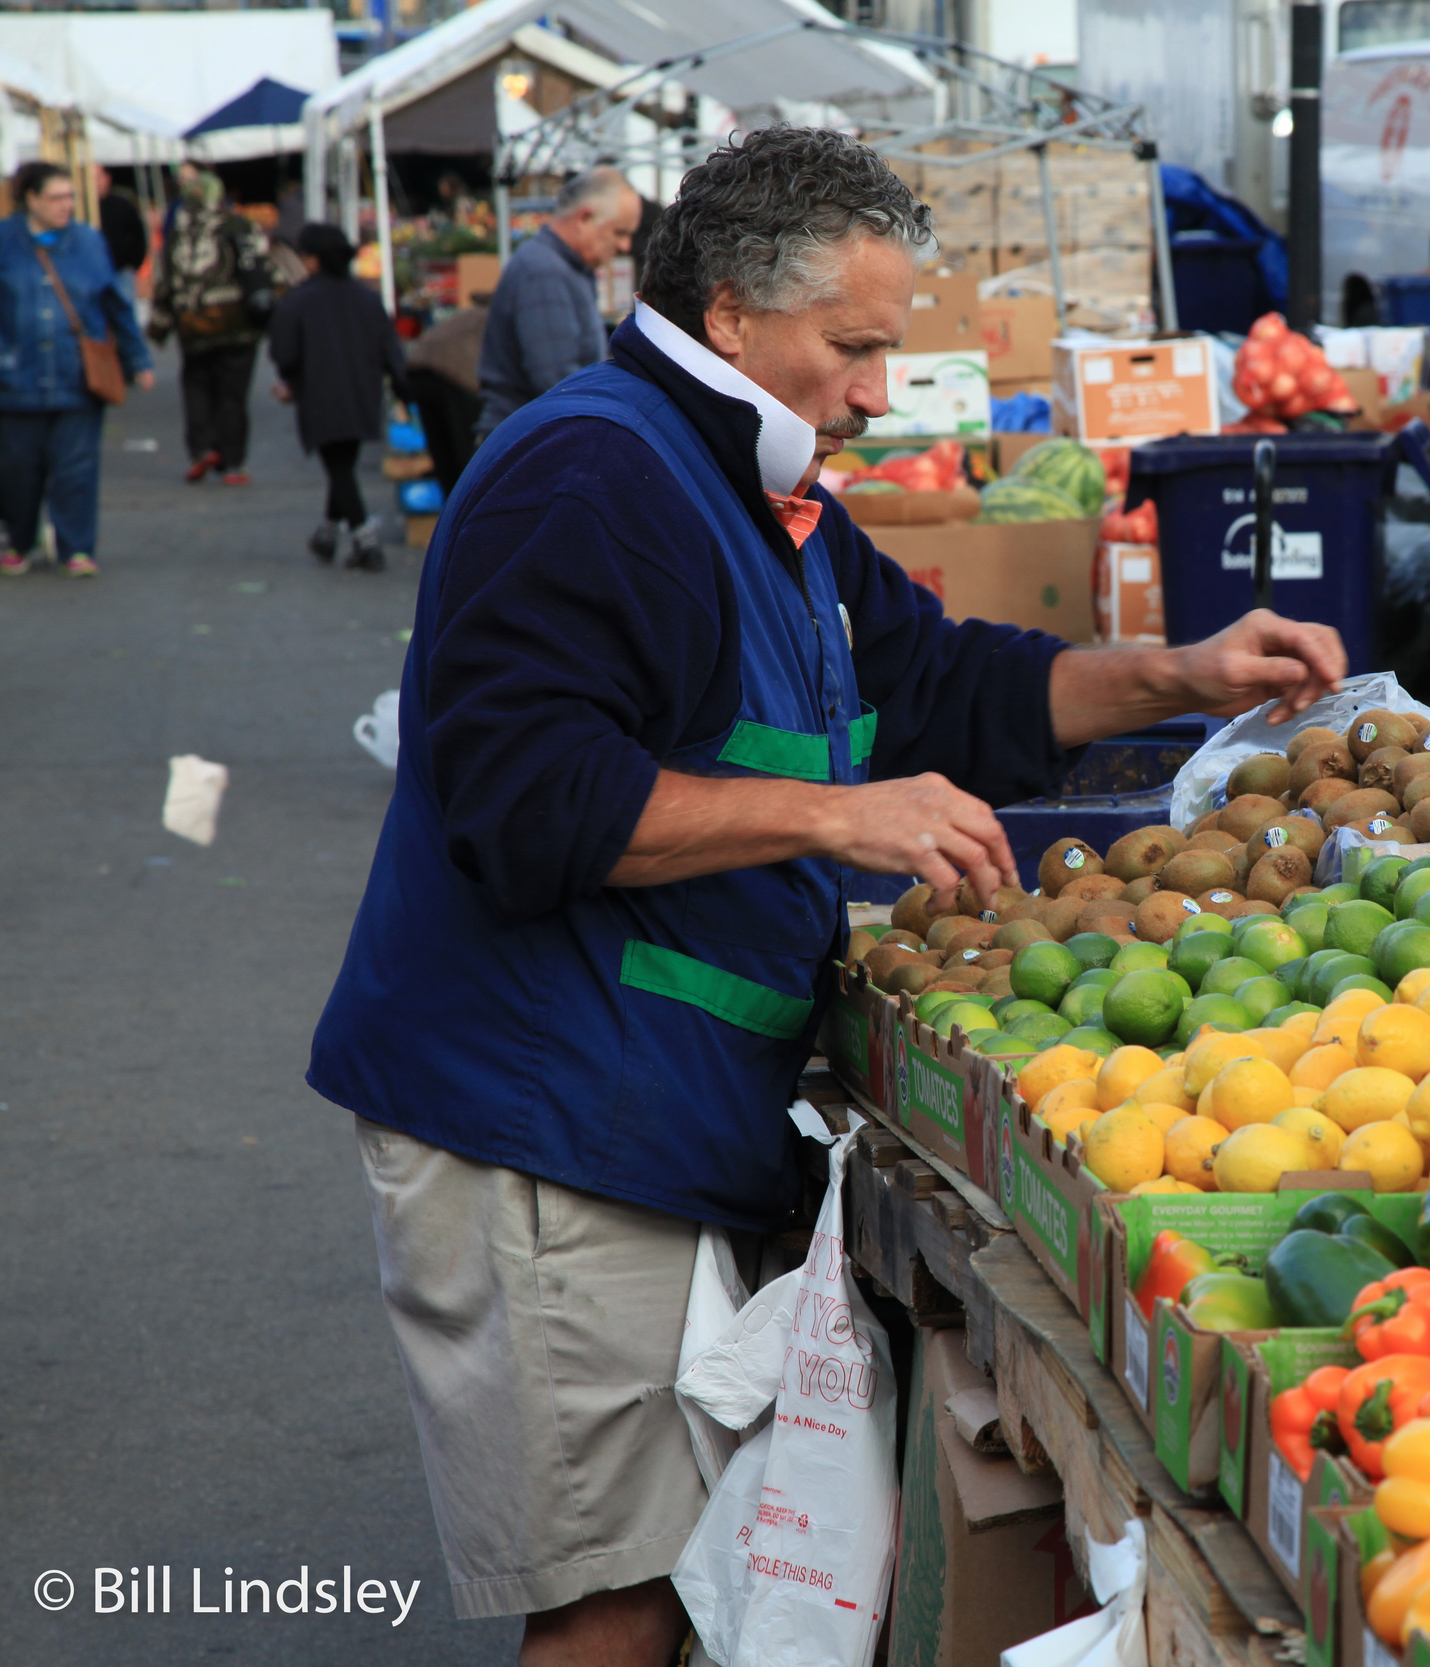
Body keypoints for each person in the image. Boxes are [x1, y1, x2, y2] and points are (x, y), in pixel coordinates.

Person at [308, 126, 1342, 1666]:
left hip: (652, 1110)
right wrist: (834, 812)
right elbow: (523, 805)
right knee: (617, 1583)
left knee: (666, 1562)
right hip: (540, 1118)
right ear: (731, 313)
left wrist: (1177, 673)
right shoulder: (591, 474)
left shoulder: (757, 484)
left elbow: (933, 679)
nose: (876, 388)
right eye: (855, 346)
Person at [0, 161, 152, 578]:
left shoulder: (88, 241)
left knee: (76, 468)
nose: (67, 205)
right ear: (30, 199)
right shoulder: (5, 241)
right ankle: (20, 539)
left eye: (70, 197)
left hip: (77, 375)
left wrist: (139, 359)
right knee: (17, 471)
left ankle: (77, 547)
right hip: (16, 379)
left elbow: (114, 303)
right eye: (57, 198)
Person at [269, 222, 412, 571]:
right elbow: (390, 349)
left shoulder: (298, 300)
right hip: (363, 392)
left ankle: (365, 539)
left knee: (338, 467)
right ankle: (327, 533)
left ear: (313, 259)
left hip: (320, 393)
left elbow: (284, 352)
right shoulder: (366, 297)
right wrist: (402, 390)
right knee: (343, 464)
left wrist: (290, 381)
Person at [475, 165, 640, 435]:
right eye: (620, 232)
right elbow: (557, 381)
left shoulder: (562, 266)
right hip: (525, 441)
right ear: (585, 218)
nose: (625, 246)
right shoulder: (545, 272)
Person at [153, 169, 274, 485]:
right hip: (236, 322)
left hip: (192, 323)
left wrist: (159, 326)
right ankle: (233, 461)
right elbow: (260, 267)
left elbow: (165, 282)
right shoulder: (237, 225)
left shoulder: (179, 233)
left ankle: (202, 448)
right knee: (233, 392)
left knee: (197, 385)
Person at [403, 297, 487, 494]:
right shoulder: (496, 318)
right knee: (464, 456)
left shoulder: (471, 315)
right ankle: (463, 513)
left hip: (420, 368)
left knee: (444, 454)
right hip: (455, 375)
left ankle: (451, 513)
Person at [92, 166, 147, 306]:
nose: (95, 182)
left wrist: (133, 263)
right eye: (91, 178)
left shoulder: (122, 205)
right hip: (93, 272)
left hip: (121, 271)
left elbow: (139, 236)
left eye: (98, 177)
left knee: (125, 310)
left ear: (107, 178)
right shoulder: (82, 208)